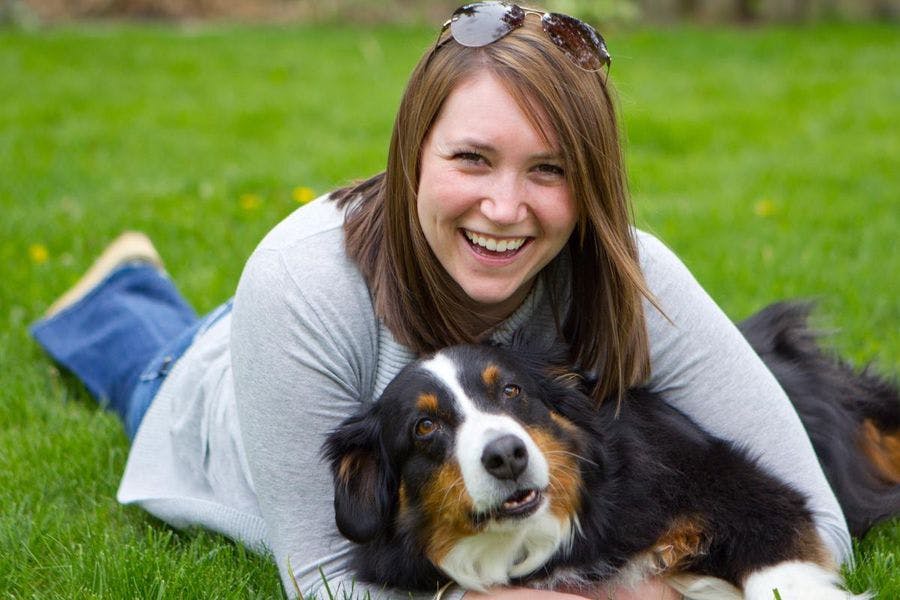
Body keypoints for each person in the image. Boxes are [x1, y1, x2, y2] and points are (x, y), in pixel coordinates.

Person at [30, 2, 852, 599]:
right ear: (412, 153)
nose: (505, 208)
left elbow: (818, 517)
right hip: (214, 384)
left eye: (549, 169)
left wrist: (634, 595)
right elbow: (322, 578)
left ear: (591, 183)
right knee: (150, 361)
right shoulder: (299, 282)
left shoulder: (629, 272)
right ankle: (121, 299)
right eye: (472, 158)